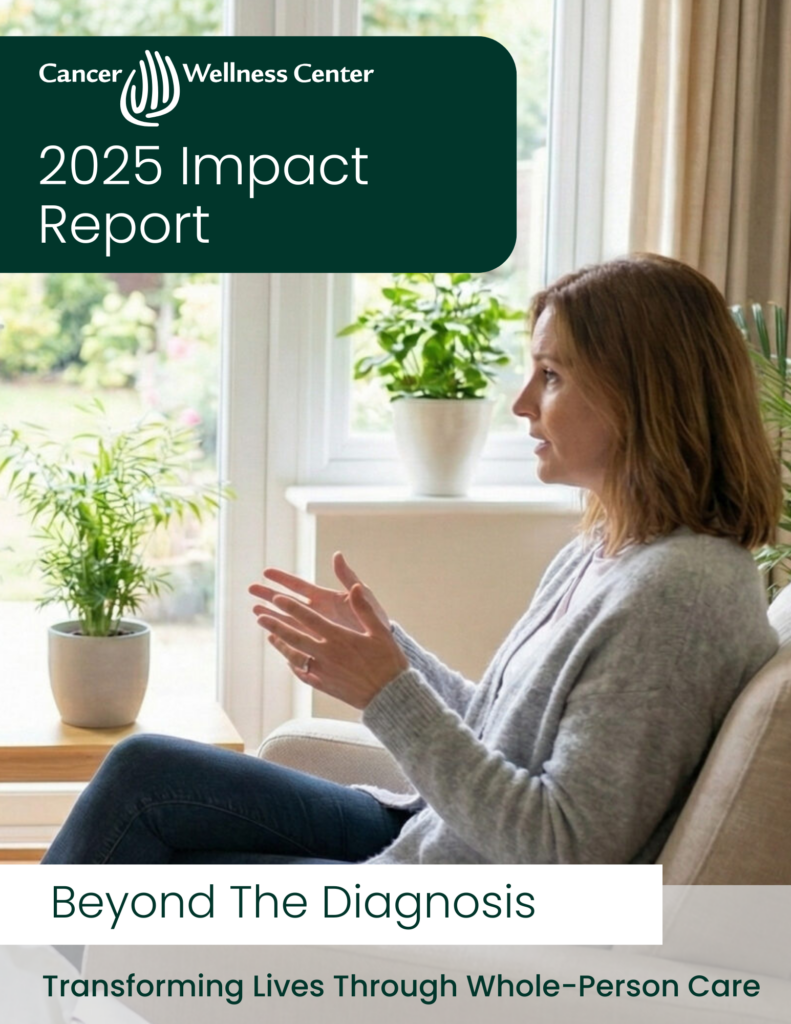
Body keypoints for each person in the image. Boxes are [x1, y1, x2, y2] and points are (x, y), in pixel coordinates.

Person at [42, 254, 781, 865]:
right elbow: (500, 733)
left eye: (551, 376)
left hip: (469, 897)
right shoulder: (607, 547)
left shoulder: (678, 591)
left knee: (146, 822)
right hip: (433, 836)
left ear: (642, 395)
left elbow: (563, 847)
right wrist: (387, 655)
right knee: (146, 776)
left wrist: (385, 692)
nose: (521, 402)